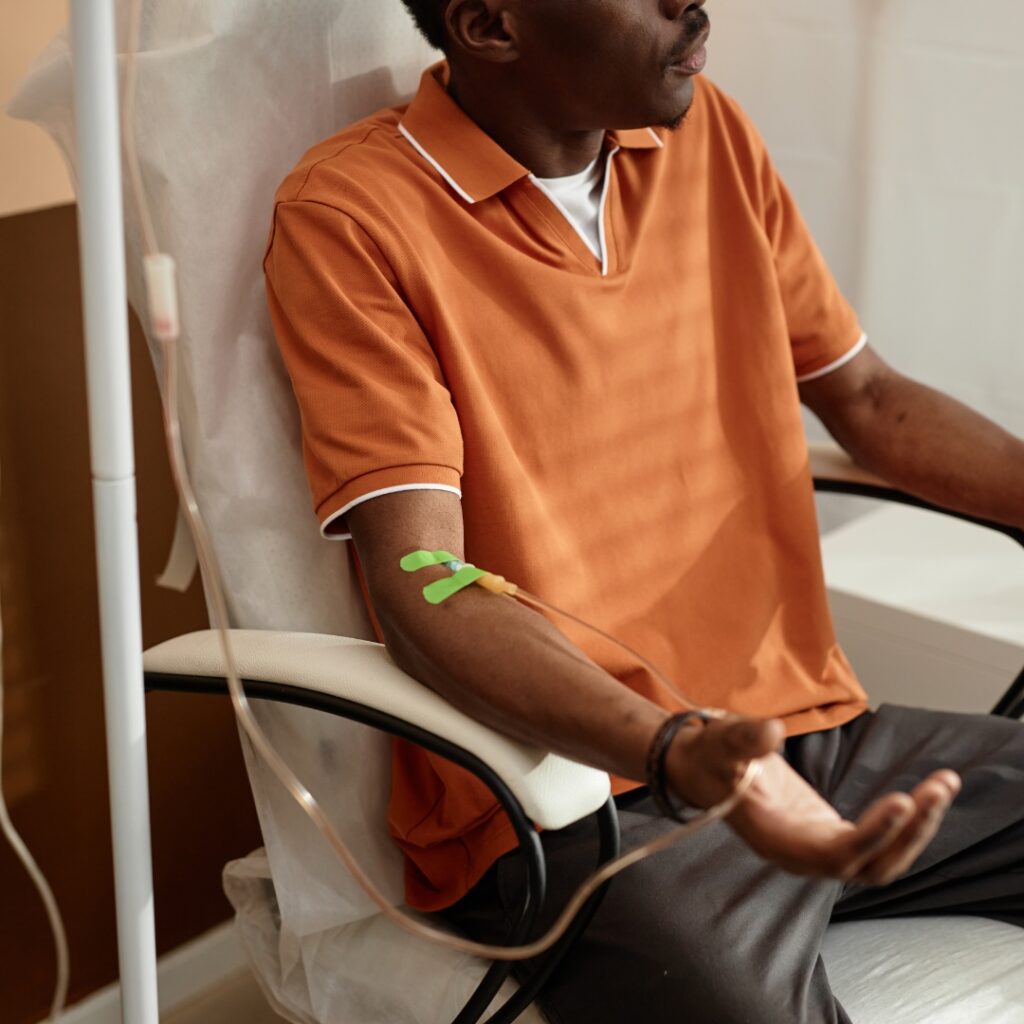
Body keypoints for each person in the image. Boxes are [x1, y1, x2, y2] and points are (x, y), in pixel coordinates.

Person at [263, 2, 1024, 1020]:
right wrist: (675, 749)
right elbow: (423, 582)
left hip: (809, 734)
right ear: (490, 25)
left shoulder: (703, 134)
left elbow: (870, 401)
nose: (692, 4)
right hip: (581, 803)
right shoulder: (353, 216)